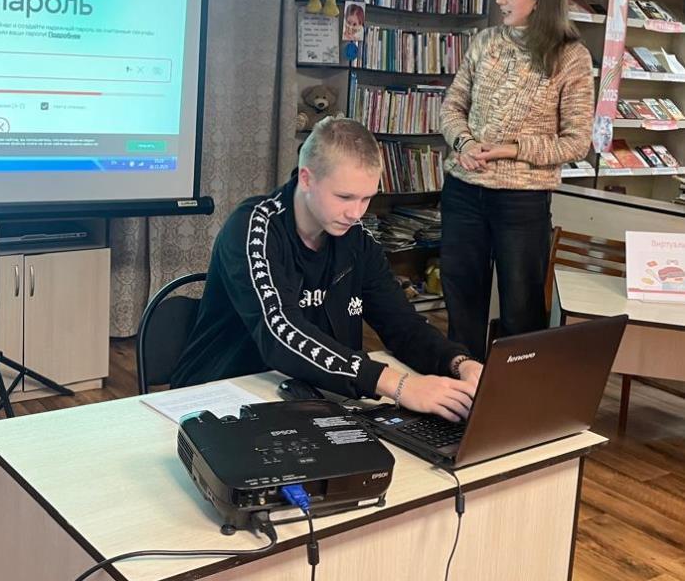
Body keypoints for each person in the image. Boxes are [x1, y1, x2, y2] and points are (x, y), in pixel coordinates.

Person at [170, 117, 482, 422]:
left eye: (366, 198)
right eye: (344, 197)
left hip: (312, 397)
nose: (355, 212)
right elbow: (282, 332)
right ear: (307, 179)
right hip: (221, 399)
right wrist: (398, 385)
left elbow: (402, 324)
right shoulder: (253, 227)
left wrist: (458, 363)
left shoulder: (358, 240)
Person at [439, 0, 594, 360]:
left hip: (522, 201)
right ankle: (461, 381)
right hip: (463, 190)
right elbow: (452, 105)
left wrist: (513, 150)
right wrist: (463, 143)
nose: (500, 0)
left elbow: (577, 142)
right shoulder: (486, 41)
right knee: (460, 297)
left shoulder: (571, 56)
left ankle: (514, 391)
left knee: (521, 307)